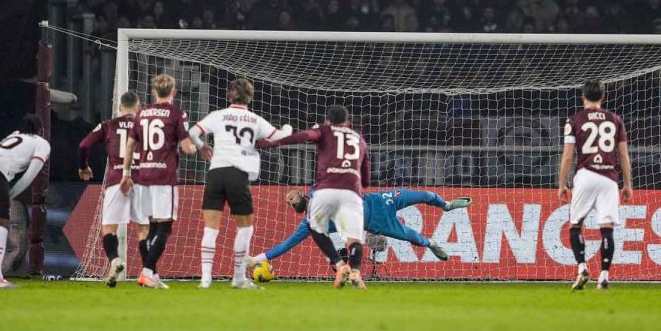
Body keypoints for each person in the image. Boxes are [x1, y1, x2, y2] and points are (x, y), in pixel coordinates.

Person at [188, 78, 292, 289]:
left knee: (211, 228)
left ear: (229, 96)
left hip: (216, 172)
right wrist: (288, 128)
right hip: (238, 174)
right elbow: (278, 137)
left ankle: (205, 280)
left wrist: (202, 147)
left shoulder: (218, 116)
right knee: (245, 227)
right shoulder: (254, 119)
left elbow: (192, 132)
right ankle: (238, 279)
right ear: (250, 98)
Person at [259, 105, 369, 289]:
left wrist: (268, 143)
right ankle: (356, 272)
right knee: (354, 240)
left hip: (326, 189)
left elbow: (301, 137)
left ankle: (340, 265)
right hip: (352, 191)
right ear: (348, 123)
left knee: (314, 226)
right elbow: (365, 179)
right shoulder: (360, 140)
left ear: (327, 121)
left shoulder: (324, 131)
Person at [249, 188, 472, 266]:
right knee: (412, 237)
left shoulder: (318, 190)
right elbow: (286, 245)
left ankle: (447, 205)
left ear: (300, 192)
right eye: (289, 202)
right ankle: (432, 243)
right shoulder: (309, 224)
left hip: (381, 199)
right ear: (295, 208)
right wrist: (257, 260)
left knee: (425, 195)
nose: (289, 199)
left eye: (291, 196)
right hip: (377, 222)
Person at [120, 74, 197, 289]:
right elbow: (186, 147)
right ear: (173, 92)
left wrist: (126, 174)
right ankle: (146, 272)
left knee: (151, 227)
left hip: (142, 176)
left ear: (153, 92)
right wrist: (197, 146)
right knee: (165, 227)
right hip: (164, 178)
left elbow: (130, 146)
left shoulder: (142, 113)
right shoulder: (176, 113)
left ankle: (152, 273)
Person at [558, 80, 632, 290]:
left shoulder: (574, 120)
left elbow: (567, 156)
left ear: (583, 96)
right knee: (606, 229)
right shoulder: (615, 120)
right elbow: (624, 155)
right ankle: (604, 275)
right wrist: (627, 184)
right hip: (609, 178)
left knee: (575, 225)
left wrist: (562, 184)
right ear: (602, 97)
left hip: (585, 175)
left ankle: (582, 268)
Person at [0, 114, 50, 288]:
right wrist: (12, 194)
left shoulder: (13, 135)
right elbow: (30, 174)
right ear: (41, 130)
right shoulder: (41, 143)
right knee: (1, 223)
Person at [78, 91, 147, 288]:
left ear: (119, 107)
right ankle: (146, 272)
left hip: (116, 180)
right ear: (138, 107)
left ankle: (115, 261)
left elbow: (83, 145)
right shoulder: (144, 126)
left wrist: (83, 166)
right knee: (143, 228)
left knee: (109, 227)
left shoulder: (109, 125)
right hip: (140, 180)